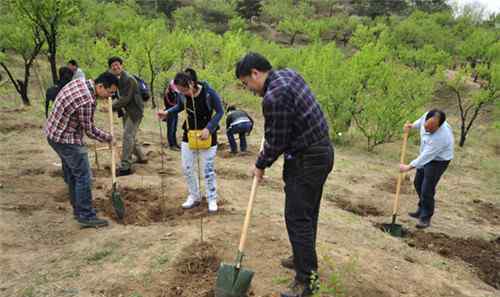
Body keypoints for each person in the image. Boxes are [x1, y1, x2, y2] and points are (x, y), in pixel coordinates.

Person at [235, 53, 334, 297]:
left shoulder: (274, 96)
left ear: (256, 73)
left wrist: (260, 164)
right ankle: (302, 258)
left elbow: (277, 141)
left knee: (298, 218)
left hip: (307, 159)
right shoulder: (289, 75)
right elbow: (284, 128)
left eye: (247, 83)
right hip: (321, 152)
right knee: (308, 214)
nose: (249, 89)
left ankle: (306, 282)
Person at [44, 72, 118, 228]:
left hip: (53, 134)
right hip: (66, 139)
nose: (110, 96)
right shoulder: (87, 100)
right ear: (99, 86)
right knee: (84, 176)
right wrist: (109, 138)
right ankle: (86, 215)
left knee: (73, 174)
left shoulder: (80, 82)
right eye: (110, 92)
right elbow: (89, 130)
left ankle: (78, 209)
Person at [157, 69, 224, 213]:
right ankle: (194, 196)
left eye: (184, 90)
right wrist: (167, 112)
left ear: (192, 84)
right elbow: (180, 106)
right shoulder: (182, 95)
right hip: (189, 134)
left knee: (207, 169)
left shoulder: (208, 93)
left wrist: (209, 128)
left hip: (207, 136)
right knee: (187, 168)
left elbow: (220, 111)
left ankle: (212, 198)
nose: (183, 93)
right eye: (180, 91)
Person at [400, 109, 453, 229]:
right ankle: (421, 208)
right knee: (418, 182)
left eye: (432, 128)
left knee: (427, 189)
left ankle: (425, 217)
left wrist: (408, 167)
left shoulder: (441, 137)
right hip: (427, 155)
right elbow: (420, 122)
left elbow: (426, 157)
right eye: (426, 126)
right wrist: (411, 126)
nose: (427, 129)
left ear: (440, 126)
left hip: (438, 161)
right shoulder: (426, 117)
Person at [108, 56, 147, 176]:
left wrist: (111, 106)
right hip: (126, 111)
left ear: (122, 65)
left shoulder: (129, 79)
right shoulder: (116, 79)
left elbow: (125, 98)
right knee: (131, 136)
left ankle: (125, 166)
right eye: (113, 65)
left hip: (135, 112)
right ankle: (141, 157)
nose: (115, 67)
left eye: (117, 64)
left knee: (127, 136)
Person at [163, 80, 183, 151]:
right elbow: (169, 103)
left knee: (174, 129)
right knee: (170, 129)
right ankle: (171, 145)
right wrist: (176, 106)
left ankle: (175, 143)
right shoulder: (167, 94)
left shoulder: (176, 93)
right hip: (169, 113)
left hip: (175, 112)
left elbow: (179, 102)